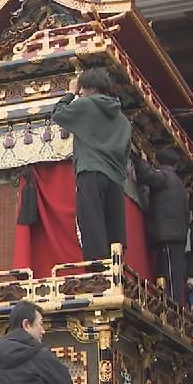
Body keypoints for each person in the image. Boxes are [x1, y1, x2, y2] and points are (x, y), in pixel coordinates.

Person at [50, 68, 131, 261]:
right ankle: (115, 274)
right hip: (116, 178)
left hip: (91, 171)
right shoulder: (124, 121)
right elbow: (126, 153)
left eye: (81, 89)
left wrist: (69, 93)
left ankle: (97, 276)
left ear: (91, 88)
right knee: (114, 228)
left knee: (91, 223)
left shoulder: (86, 105)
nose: (80, 93)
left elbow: (58, 114)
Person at [133, 147, 189, 303]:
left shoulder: (165, 177)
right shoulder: (178, 183)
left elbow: (146, 175)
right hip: (177, 235)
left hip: (168, 235)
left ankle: (173, 308)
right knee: (174, 275)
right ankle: (174, 306)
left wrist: (139, 159)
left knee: (170, 275)